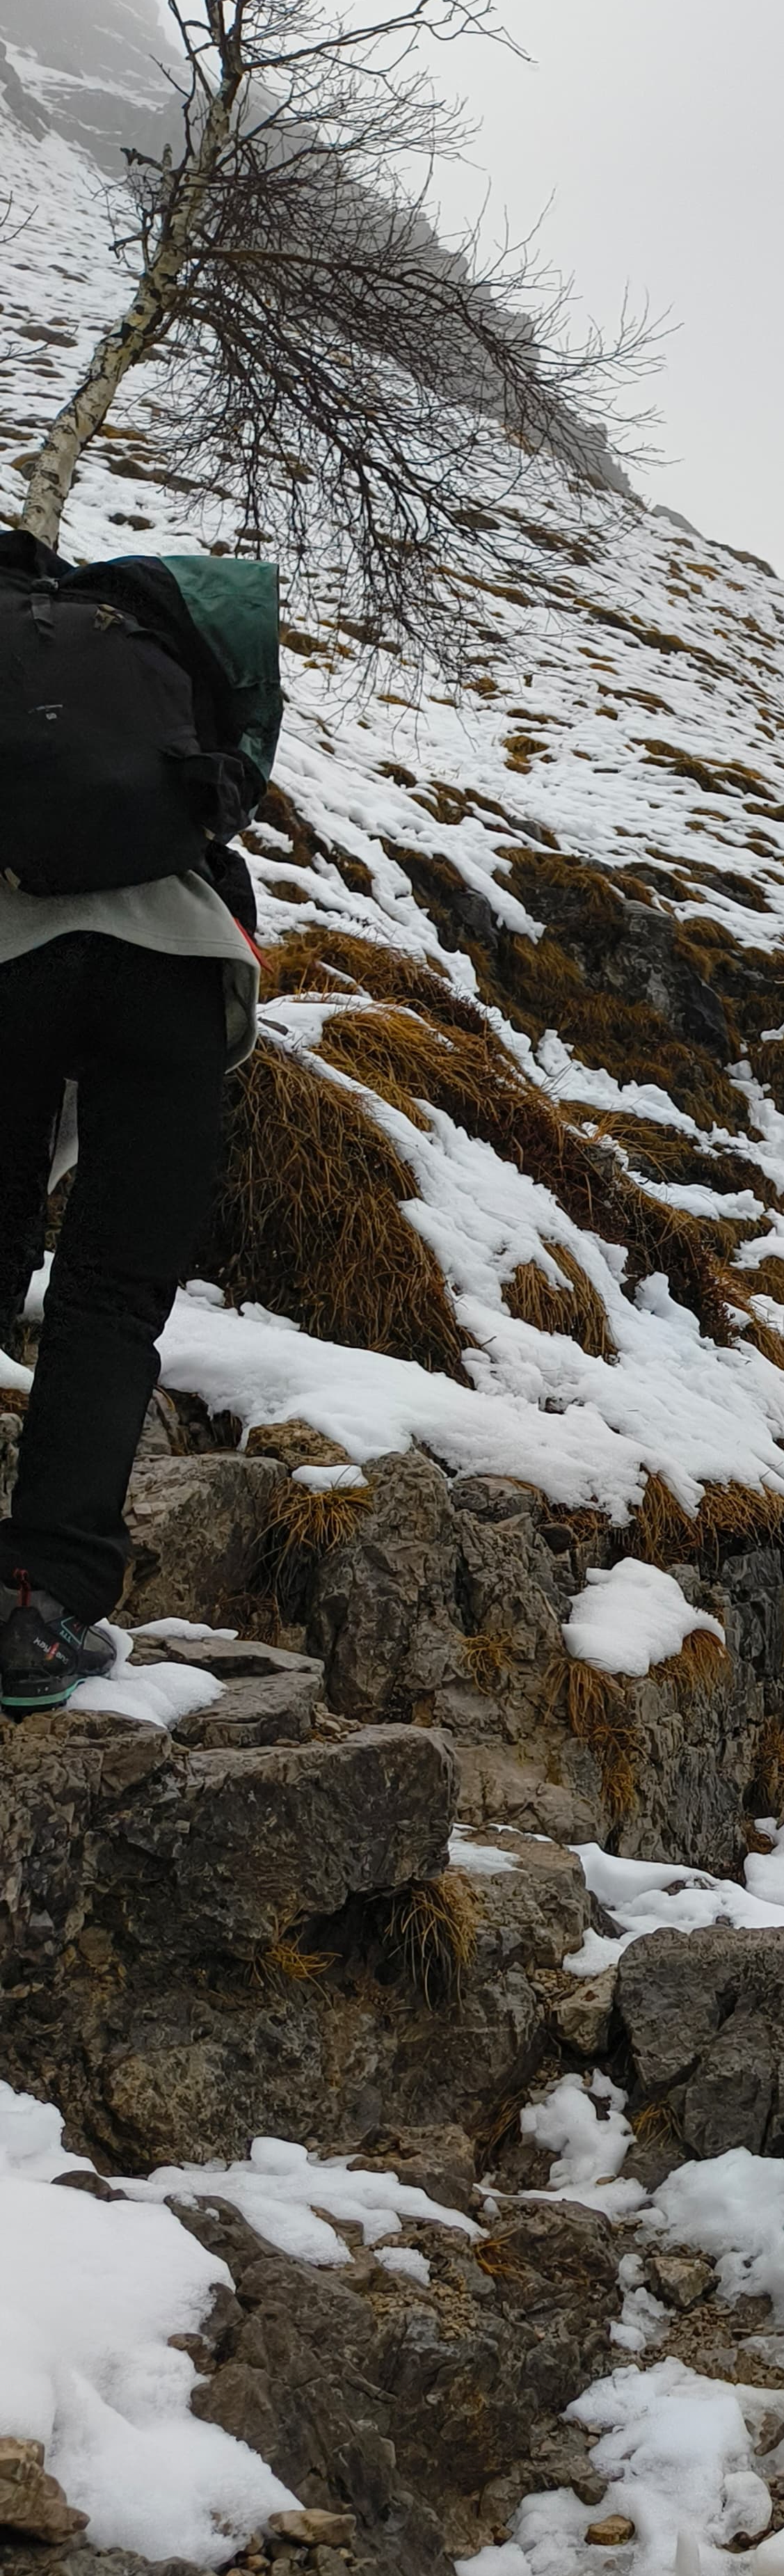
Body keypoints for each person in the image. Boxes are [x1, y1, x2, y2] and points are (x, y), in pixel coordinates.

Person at [0, 532, 278, 1714]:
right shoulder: (174, 652)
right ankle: (39, 1610)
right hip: (175, 960)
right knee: (112, 1291)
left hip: (8, 958)